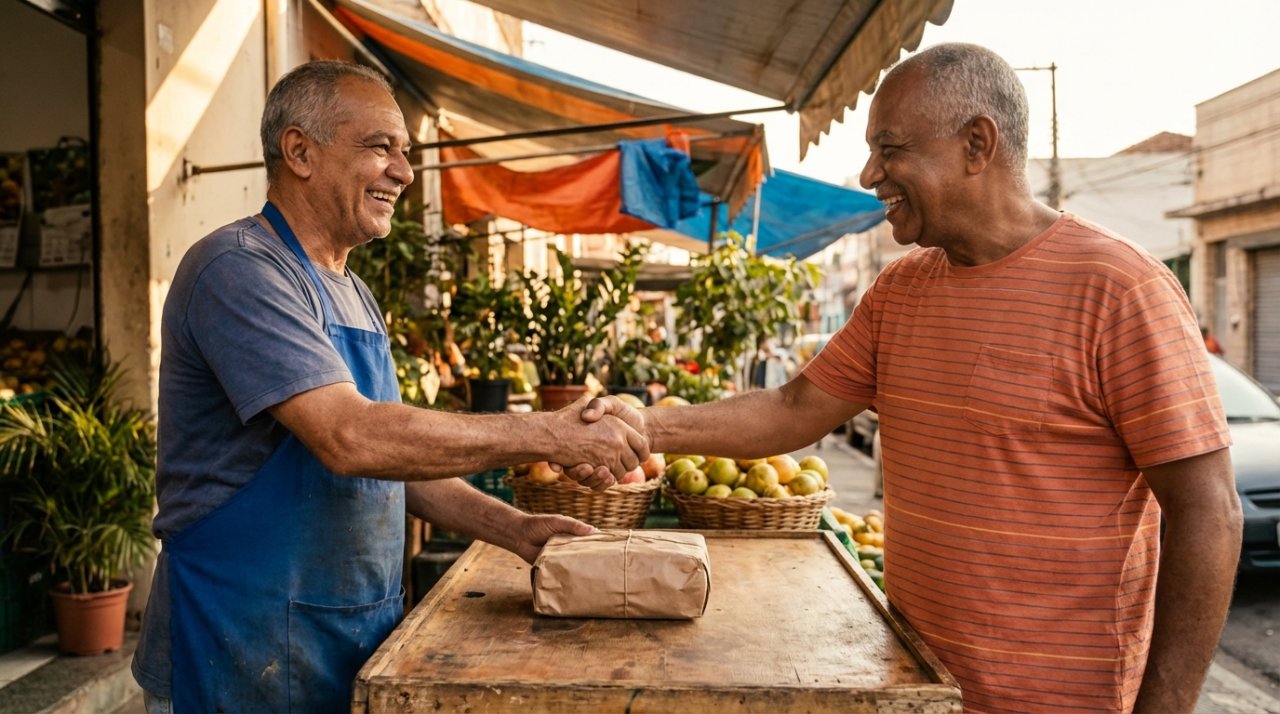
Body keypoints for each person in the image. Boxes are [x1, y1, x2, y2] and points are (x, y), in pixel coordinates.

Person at [582, 43, 1242, 712]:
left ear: (976, 144)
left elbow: (1208, 514)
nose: (870, 173)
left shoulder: (1120, 289)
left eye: (890, 148)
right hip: (915, 691)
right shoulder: (901, 289)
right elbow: (791, 407)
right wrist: (646, 423)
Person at [131, 61, 646, 713]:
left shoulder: (356, 293)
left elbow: (396, 466)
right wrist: (547, 433)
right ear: (300, 151)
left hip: (345, 643)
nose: (404, 172)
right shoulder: (239, 270)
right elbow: (351, 437)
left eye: (405, 152)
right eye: (381, 147)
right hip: (234, 647)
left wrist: (513, 528)